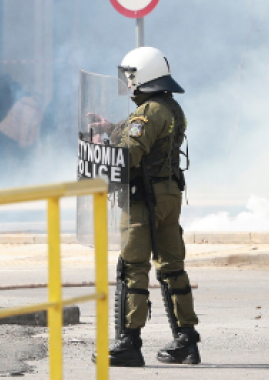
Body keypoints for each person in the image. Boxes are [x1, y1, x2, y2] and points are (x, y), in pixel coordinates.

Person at [99, 47, 198, 367]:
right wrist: (111, 128)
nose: (127, 83)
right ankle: (186, 340)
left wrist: (104, 148)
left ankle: (128, 343)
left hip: (144, 199)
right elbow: (147, 139)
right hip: (168, 195)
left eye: (130, 76)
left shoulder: (148, 111)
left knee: (132, 267)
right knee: (172, 267)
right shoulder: (169, 106)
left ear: (142, 75)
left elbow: (129, 154)